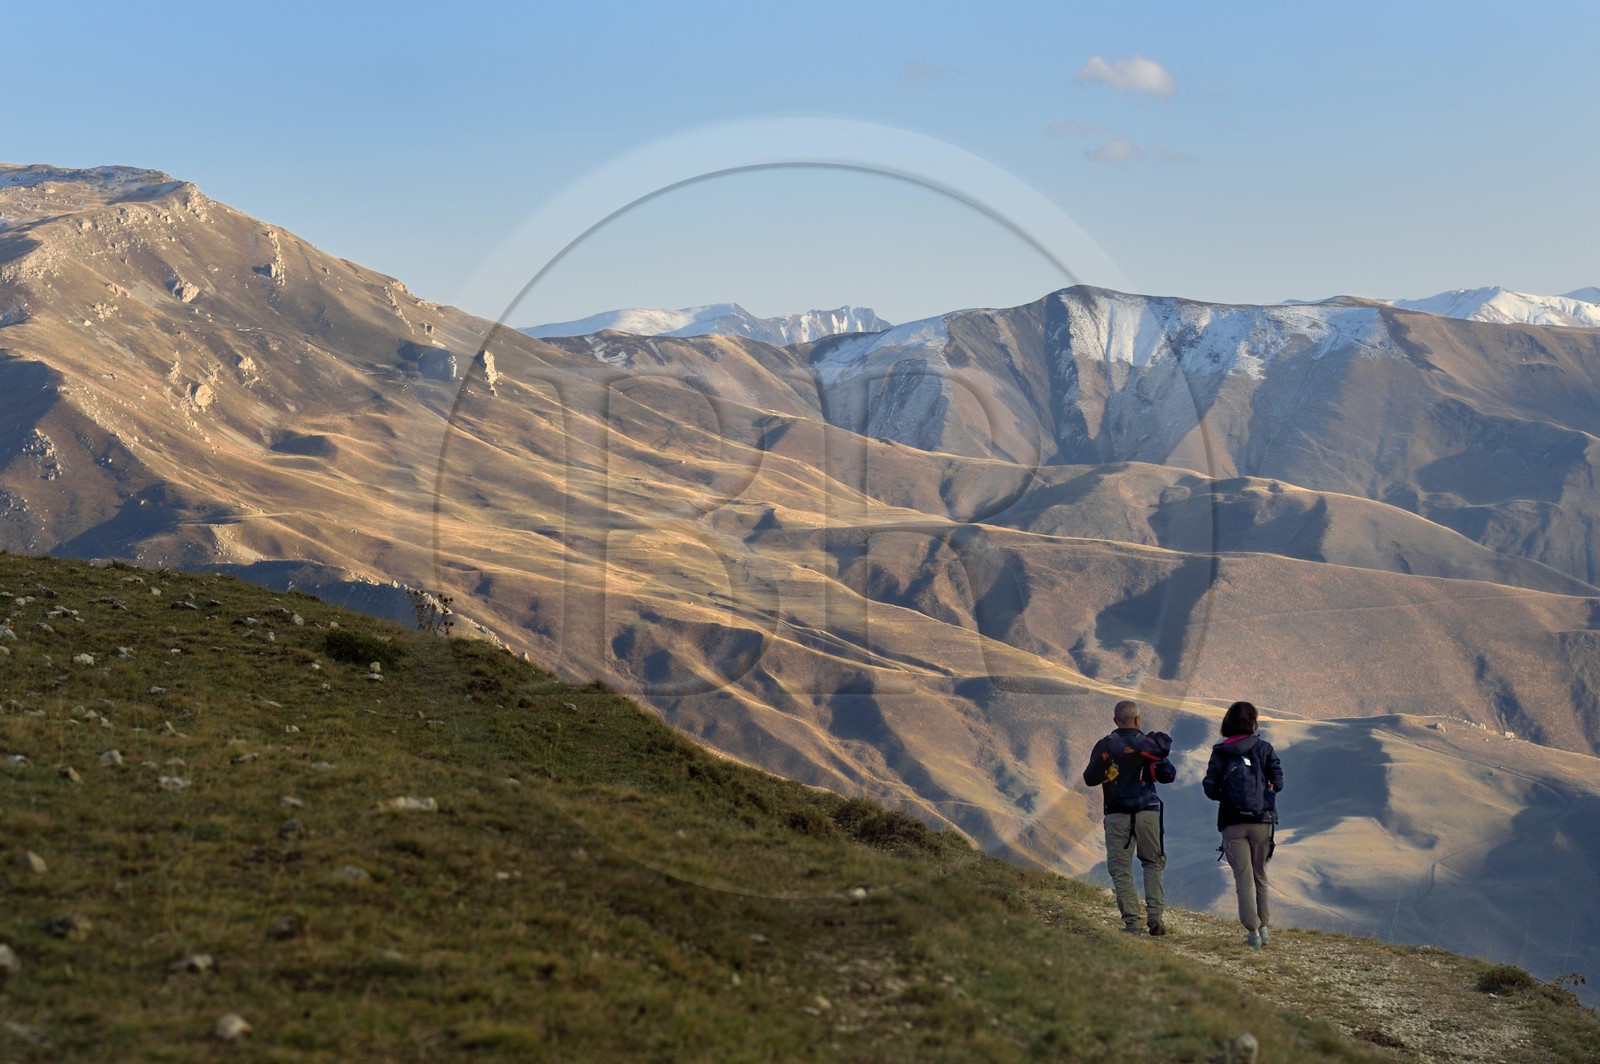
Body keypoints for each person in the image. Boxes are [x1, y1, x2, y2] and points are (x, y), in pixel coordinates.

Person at [1081, 699, 1176, 936]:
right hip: (1148, 812)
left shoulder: (1106, 745)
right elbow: (1168, 776)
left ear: (1115, 720)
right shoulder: (1149, 745)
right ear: (1138, 720)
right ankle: (1155, 916)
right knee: (1153, 863)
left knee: (1120, 868)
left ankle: (1133, 922)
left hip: (1117, 814)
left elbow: (1090, 779)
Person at [1202, 700, 1284, 949]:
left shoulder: (1220, 751)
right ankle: (1266, 927)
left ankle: (1253, 932)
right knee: (1260, 874)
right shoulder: (1264, 748)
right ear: (1253, 722)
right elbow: (1278, 783)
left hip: (1232, 822)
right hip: (1262, 821)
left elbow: (1209, 787)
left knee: (1243, 878)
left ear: (1227, 722)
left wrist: (1226, 797)